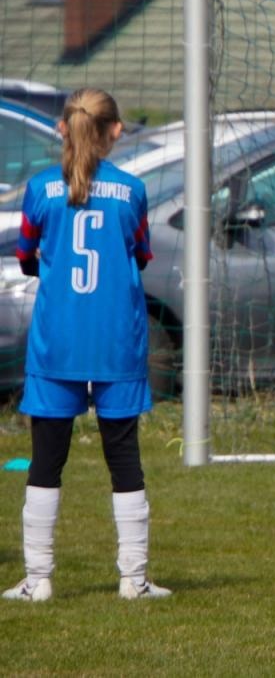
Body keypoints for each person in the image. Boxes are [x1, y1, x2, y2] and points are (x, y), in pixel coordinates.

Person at [4, 88, 170, 603]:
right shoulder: (133, 190)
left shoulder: (39, 190)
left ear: (62, 129)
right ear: (115, 131)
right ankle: (133, 580)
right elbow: (140, 254)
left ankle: (39, 580)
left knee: (46, 460)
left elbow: (27, 255)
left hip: (58, 342)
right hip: (117, 341)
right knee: (123, 456)